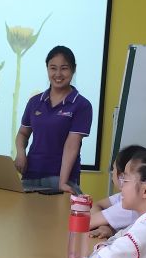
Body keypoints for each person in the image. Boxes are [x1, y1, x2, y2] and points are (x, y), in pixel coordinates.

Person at [15, 45, 92, 194]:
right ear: (47, 69)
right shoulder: (35, 102)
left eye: (64, 68)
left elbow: (72, 145)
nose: (58, 74)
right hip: (30, 176)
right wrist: (20, 153)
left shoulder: (81, 105)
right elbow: (23, 133)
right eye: (53, 68)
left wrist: (62, 182)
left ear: (73, 69)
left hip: (61, 178)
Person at [89, 144, 146, 239]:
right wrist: (104, 226)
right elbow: (97, 204)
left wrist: (103, 223)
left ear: (122, 176)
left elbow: (88, 222)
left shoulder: (131, 206)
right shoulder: (125, 196)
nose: (112, 173)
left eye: (113, 169)